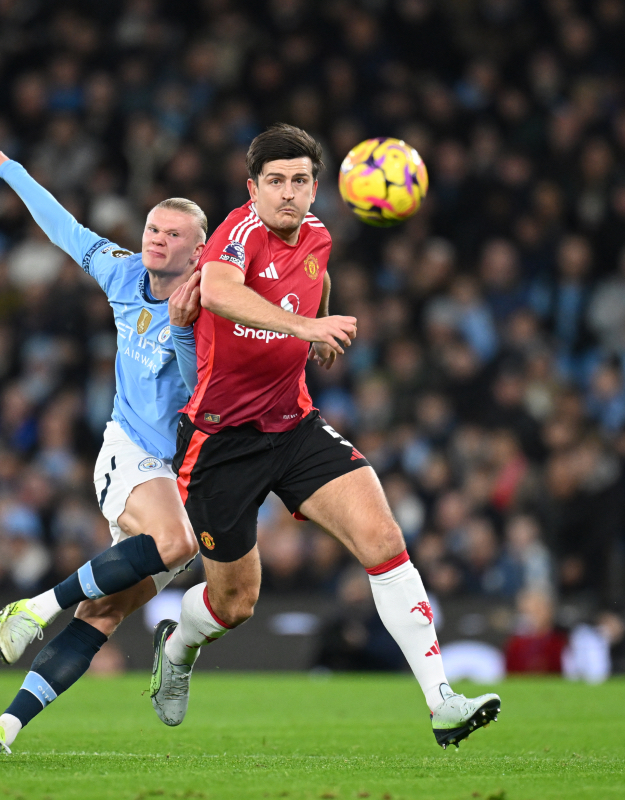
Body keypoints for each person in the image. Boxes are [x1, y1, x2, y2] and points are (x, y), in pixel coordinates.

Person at [149, 124, 500, 749]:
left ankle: (442, 703)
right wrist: (308, 328)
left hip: (295, 424)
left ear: (317, 187)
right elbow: (225, 296)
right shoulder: (235, 238)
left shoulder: (317, 235)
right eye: (276, 182)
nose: (289, 194)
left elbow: (318, 279)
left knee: (384, 537)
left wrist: (317, 325)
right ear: (252, 188)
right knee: (235, 603)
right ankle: (177, 646)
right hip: (221, 442)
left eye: (301, 181)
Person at [0, 145, 207, 762]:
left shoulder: (211, 307)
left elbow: (199, 381)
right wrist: (11, 170)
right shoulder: (122, 271)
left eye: (173, 234)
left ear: (198, 251)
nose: (157, 239)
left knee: (103, 614)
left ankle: (2, 732)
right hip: (128, 450)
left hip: (182, 473)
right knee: (179, 545)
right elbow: (65, 230)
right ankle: (36, 605)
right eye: (152, 228)